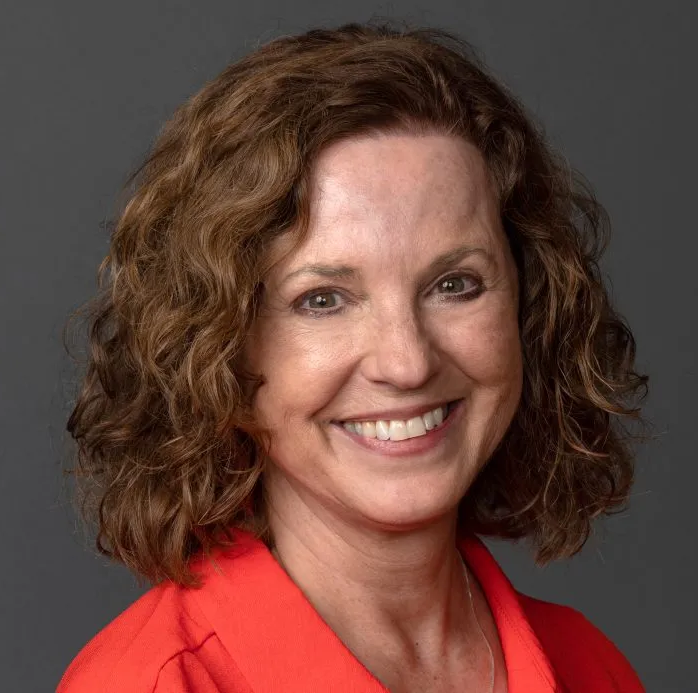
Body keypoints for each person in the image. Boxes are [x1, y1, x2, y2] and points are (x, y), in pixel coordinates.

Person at [57, 22, 649, 693]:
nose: (407, 362)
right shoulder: (152, 683)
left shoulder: (590, 665)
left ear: (529, 305)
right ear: (220, 340)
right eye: (323, 299)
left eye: (454, 284)